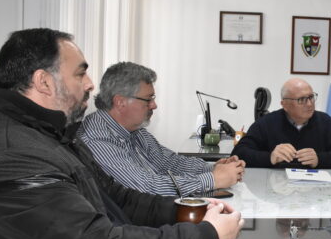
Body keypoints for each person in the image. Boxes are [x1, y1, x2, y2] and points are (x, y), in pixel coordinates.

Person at [0, 28, 243, 239]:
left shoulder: (49, 135)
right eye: (80, 73)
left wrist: (186, 209)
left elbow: (117, 199)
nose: (90, 84)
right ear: (43, 82)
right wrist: (206, 236)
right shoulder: (15, 152)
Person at [78, 62, 245, 197]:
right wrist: (212, 179)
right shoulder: (97, 139)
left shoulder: (135, 131)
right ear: (120, 102)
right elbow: (146, 187)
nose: (154, 105)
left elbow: (170, 162)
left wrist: (213, 168)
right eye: (148, 99)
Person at [231, 78, 331, 168]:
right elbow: (238, 153)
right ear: (285, 105)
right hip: (276, 192)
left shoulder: (324, 121)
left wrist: (319, 159)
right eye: (302, 99)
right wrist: (270, 157)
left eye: (311, 97)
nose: (310, 104)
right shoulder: (267, 123)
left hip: (314, 193)